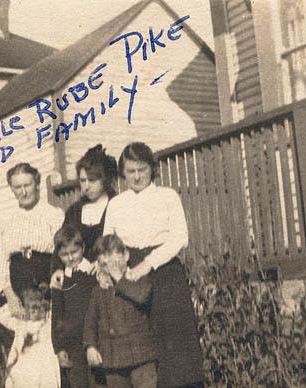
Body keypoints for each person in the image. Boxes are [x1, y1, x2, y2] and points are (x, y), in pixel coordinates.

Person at [103, 142, 204, 388]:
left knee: (173, 346)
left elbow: (180, 237)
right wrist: (106, 270)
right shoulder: (116, 203)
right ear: (122, 173)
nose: (137, 176)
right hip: (128, 274)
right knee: (137, 345)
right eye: (130, 171)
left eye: (142, 169)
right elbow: (107, 241)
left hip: (164, 271)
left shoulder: (167, 196)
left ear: (152, 168)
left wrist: (148, 264)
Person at [83, 234, 157, 388]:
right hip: (113, 360)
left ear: (126, 255)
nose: (111, 270)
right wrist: (90, 346)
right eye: (105, 265)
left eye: (115, 263)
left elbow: (142, 296)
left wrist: (120, 279)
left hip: (141, 357)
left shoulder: (138, 278)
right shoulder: (99, 290)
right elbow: (90, 322)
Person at [0, 163, 64, 318]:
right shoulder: (4, 221)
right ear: (11, 188)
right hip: (16, 290)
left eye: (28, 185)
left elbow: (63, 253)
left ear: (37, 184)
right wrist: (10, 296)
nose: (24, 192)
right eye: (18, 187)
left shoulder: (54, 215)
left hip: (47, 286)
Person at [51, 144, 117, 289]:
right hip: (79, 284)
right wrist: (58, 269)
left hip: (109, 282)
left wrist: (103, 264)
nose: (86, 186)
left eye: (92, 180)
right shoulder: (74, 211)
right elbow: (61, 244)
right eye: (82, 180)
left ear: (104, 179)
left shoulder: (117, 206)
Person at [50, 225, 99, 388]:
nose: (70, 258)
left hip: (96, 340)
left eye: (74, 252)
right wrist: (59, 348)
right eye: (64, 254)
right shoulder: (59, 280)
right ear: (58, 255)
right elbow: (57, 315)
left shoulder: (94, 273)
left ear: (83, 248)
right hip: (73, 345)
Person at [0, 287, 60, 388]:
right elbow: (0, 314)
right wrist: (15, 306)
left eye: (39, 308)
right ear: (26, 308)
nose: (35, 312)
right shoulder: (21, 324)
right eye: (32, 308)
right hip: (25, 368)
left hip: (44, 366)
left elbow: (56, 311)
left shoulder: (48, 323)